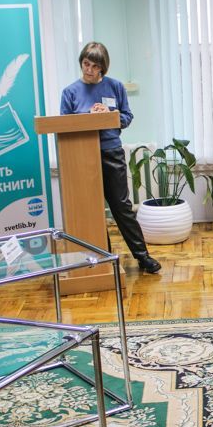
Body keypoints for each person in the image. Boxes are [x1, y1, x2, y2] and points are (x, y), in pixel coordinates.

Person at [60, 41, 160, 273]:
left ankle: (143, 257)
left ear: (103, 68)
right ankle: (103, 258)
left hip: (111, 152)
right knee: (92, 208)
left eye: (95, 66)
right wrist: (88, 117)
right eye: (86, 64)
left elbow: (127, 117)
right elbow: (64, 126)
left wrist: (109, 114)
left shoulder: (115, 87)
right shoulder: (69, 92)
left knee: (122, 207)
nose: (89, 70)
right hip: (82, 157)